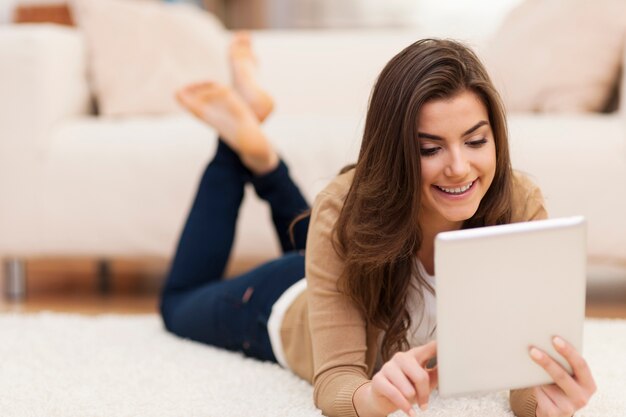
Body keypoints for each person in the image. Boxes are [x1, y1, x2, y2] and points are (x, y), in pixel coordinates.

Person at [159, 33, 596, 417]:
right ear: (395, 154)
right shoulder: (342, 215)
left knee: (319, 226)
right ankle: (234, 146)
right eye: (430, 149)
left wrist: (547, 403)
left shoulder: (519, 204)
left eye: (476, 140)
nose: (460, 168)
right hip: (282, 302)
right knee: (177, 305)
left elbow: (525, 382)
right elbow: (336, 380)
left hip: (348, 253)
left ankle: (263, 155)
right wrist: (373, 399)